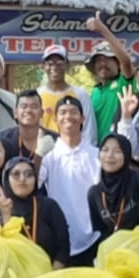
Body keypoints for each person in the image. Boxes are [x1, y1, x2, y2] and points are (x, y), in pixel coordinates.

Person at [37, 97, 101, 266]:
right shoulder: (48, 158)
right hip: (59, 238)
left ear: (82, 118)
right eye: (63, 113)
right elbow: (33, 183)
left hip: (92, 237)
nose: (68, 117)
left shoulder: (96, 155)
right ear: (56, 120)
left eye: (74, 112)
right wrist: (38, 155)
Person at [0, 157, 71, 267]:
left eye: (29, 174)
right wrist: (6, 214)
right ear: (7, 179)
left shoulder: (49, 206)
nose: (22, 179)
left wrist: (51, 275)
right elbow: (0, 254)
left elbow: (63, 247)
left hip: (50, 277)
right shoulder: (0, 213)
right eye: (16, 174)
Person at [84, 12, 137, 145]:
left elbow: (126, 61)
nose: (102, 64)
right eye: (98, 60)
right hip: (97, 152)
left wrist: (103, 30)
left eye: (107, 59)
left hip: (120, 150)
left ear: (117, 63)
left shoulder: (124, 83)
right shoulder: (95, 91)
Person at [89, 134, 139, 241]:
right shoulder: (94, 193)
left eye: (117, 151)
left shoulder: (137, 181)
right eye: (105, 150)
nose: (110, 155)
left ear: (126, 155)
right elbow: (100, 231)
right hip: (113, 252)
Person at [36, 44, 96, 141]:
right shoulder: (37, 95)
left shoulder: (80, 94)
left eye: (59, 63)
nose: (54, 67)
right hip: (44, 151)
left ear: (67, 65)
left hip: (72, 151)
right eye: (50, 63)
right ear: (43, 66)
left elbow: (88, 130)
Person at [0, 90, 58, 165]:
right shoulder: (4, 138)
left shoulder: (55, 140)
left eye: (34, 107)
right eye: (24, 107)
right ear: (15, 113)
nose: (28, 110)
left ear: (42, 113)